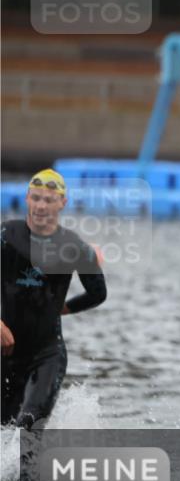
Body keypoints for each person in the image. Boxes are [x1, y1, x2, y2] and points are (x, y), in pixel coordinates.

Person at [2, 169, 107, 430]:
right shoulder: (5, 235)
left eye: (49, 200)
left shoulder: (74, 246)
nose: (41, 206)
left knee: (29, 425)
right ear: (26, 198)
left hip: (46, 356)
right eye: (36, 198)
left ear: (63, 203)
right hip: (5, 353)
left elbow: (98, 294)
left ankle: (32, 472)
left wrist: (61, 309)